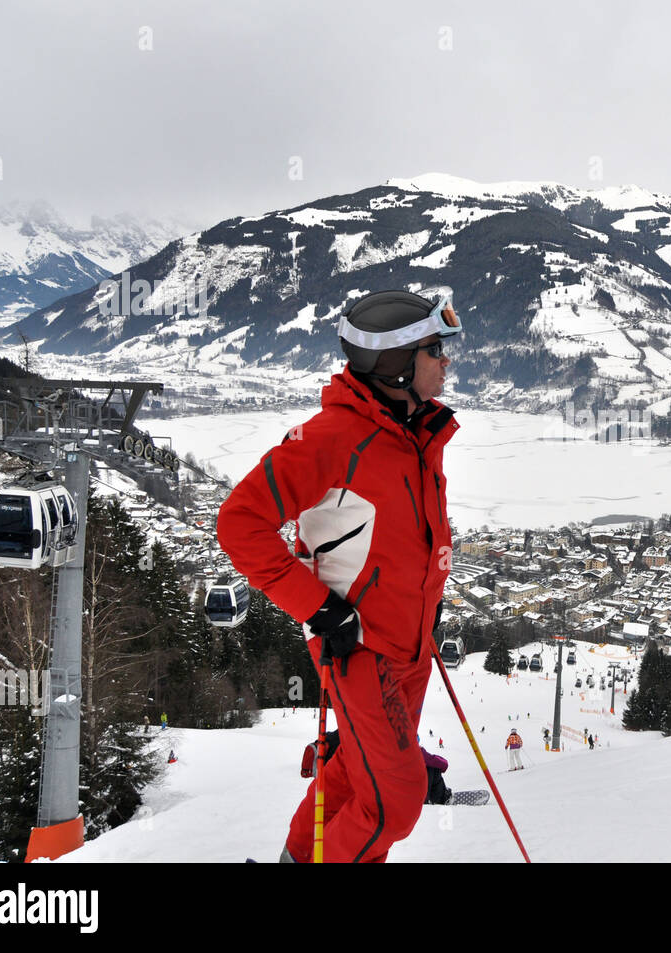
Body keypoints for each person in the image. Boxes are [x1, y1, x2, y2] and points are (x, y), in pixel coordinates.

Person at [217, 287, 461, 864]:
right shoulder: (331, 439)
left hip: (411, 647)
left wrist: (428, 608)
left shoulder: (416, 433)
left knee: (354, 776)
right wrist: (321, 610)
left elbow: (404, 542)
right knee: (398, 800)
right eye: (435, 350)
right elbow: (240, 523)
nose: (446, 362)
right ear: (396, 364)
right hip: (360, 648)